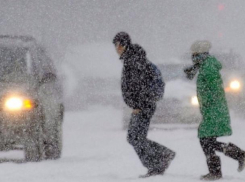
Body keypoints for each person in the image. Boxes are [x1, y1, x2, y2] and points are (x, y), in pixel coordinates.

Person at [113, 32, 175, 178]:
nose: (116, 49)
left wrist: (138, 104)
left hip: (143, 105)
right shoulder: (133, 58)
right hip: (143, 104)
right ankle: (161, 157)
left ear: (124, 45)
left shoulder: (134, 60)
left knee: (135, 137)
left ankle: (158, 162)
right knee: (135, 137)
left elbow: (138, 85)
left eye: (117, 45)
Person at [184, 40, 245, 181]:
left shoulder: (208, 67)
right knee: (207, 140)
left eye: (194, 54)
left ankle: (219, 169)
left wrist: (207, 102)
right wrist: (193, 70)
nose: (192, 56)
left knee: (206, 140)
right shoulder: (206, 64)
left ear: (199, 53)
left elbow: (215, 89)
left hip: (214, 110)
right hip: (212, 109)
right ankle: (233, 158)